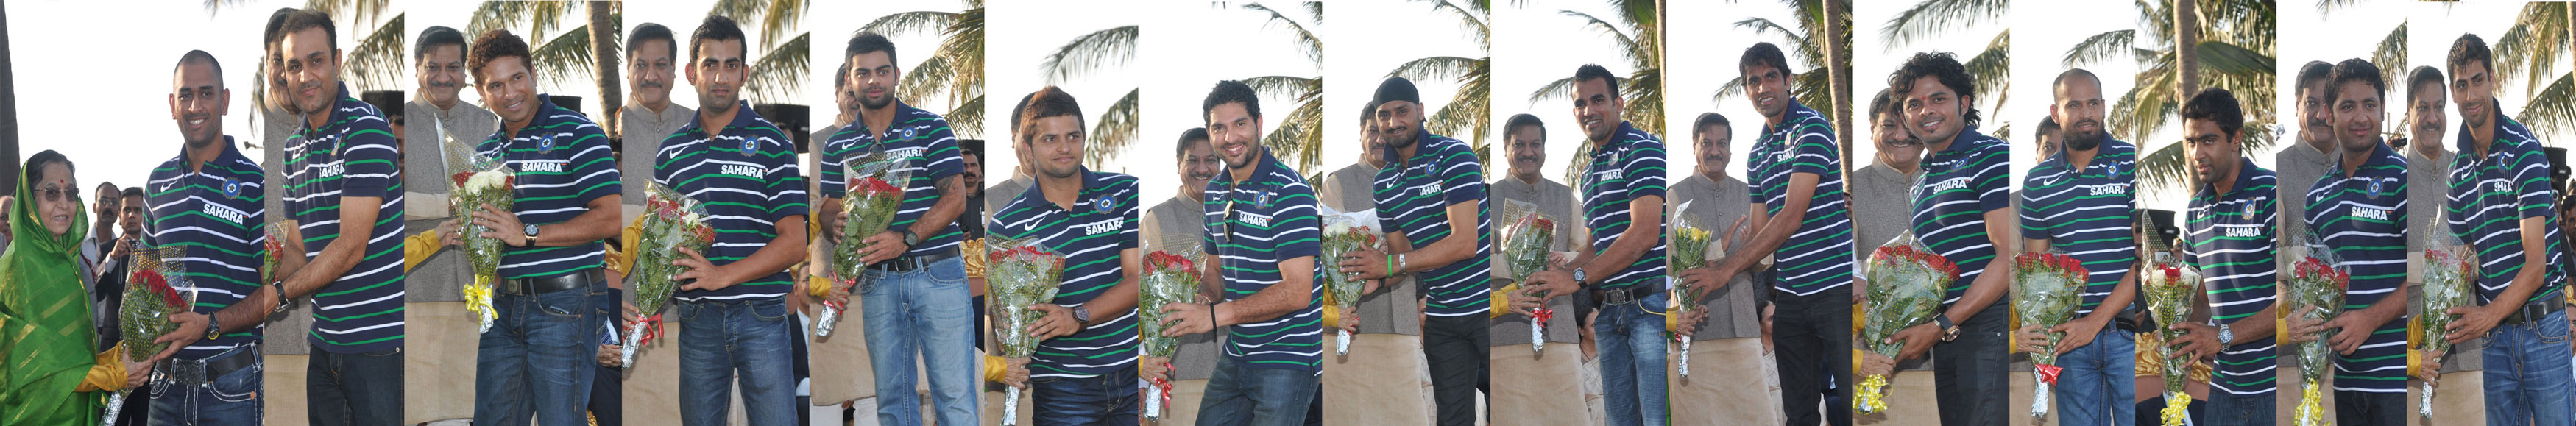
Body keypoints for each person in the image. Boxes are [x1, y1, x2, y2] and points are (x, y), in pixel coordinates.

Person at [436, 29, 626, 426]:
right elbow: (496, 233)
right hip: (503, 307)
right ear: (480, 91)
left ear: (533, 73)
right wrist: (472, 233)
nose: (510, 93)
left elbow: (610, 217)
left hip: (568, 303)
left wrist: (530, 233)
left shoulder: (579, 132)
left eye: (517, 78)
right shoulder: (486, 154)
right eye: (496, 85)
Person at [651, 15, 810, 425]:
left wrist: (724, 275)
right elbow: (663, 243)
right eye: (710, 64)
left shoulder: (774, 144)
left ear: (744, 73)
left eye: (731, 65)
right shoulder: (669, 153)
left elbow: (795, 242)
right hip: (697, 318)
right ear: (691, 72)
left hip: (762, 315)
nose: (721, 76)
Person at [1683, 43, 1853, 426]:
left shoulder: (1813, 126)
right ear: (1747, 90)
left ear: (1788, 81)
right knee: (1800, 412)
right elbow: (1759, 237)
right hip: (1790, 296)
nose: (1763, 87)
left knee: (1854, 402)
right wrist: (1713, 253)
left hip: (1834, 288)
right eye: (1753, 81)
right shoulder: (1757, 152)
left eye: (1771, 77)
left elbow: (1791, 217)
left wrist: (1724, 270)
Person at [815, 31, 977, 426]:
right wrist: (832, 222)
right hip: (876, 281)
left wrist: (904, 239)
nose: (874, 80)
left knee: (953, 398)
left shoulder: (930, 126)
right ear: (850, 81)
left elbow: (956, 198)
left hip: (937, 272)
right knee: (891, 401)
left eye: (882, 71)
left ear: (897, 74)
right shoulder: (838, 145)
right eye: (863, 73)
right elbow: (830, 207)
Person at [1157, 79, 1325, 426]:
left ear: (1259, 125)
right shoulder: (1216, 192)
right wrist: (1204, 299)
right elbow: (1215, 270)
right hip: (1238, 352)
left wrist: (1214, 317)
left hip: (1287, 357)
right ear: (1210, 131)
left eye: (1240, 124)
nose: (1230, 137)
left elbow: (1297, 291)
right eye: (1220, 127)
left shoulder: (1290, 191)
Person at [1334, 77, 1492, 426]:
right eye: (1383, 116)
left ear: (1420, 111)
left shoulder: (1455, 154)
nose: (1393, 123)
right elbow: (1401, 259)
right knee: (1452, 419)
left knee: (1505, 407)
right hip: (1441, 319)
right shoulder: (1384, 183)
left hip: (1486, 309)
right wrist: (1378, 278)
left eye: (1402, 112)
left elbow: (1465, 242)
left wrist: (1389, 263)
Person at [1521, 64, 1671, 426]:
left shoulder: (1644, 148)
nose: (1589, 111)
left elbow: (1645, 234)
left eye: (1598, 100)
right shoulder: (1589, 172)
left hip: (1649, 307)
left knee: (1655, 418)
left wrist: (1577, 277)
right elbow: (1594, 245)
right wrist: (1553, 273)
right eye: (1581, 104)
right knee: (1618, 420)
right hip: (1608, 313)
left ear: (1619, 103)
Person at [984, 86, 1142, 425]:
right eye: (1050, 139)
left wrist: (1078, 316)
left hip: (1130, 375)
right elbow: (1003, 314)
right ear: (1027, 148)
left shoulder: (1126, 191)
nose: (1065, 148)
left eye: (1073, 136)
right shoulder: (1007, 224)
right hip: (1061, 389)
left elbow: (1137, 280)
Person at [2438, 33, 2574, 426]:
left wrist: (2486, 316)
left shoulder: (2524, 150)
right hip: (2495, 342)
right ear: (2453, 91)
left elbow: (2536, 267)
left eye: (2477, 81)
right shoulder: (2457, 172)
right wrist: (2435, 325)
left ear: (2492, 79)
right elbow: (2464, 264)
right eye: (2462, 85)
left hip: (2543, 330)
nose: (2471, 95)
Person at [2279, 58, 2410, 426]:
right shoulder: (2317, 196)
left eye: (2370, 105)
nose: (2360, 117)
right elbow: (2319, 287)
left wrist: (2370, 318)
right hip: (2344, 382)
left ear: (2384, 110)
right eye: (2347, 106)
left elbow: (2426, 277)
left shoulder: (2403, 178)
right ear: (2328, 112)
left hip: (2397, 382)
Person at [1885, 52, 2014, 426]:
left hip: (1986, 324)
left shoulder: (1991, 155)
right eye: (1914, 104)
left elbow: (2007, 258)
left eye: (1938, 98)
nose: (1926, 110)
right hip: (1947, 332)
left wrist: (1943, 324)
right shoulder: (1922, 181)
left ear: (1964, 102)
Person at [2014, 68, 2140, 426]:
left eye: (2093, 104)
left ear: (2104, 107)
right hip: (2071, 342)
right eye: (2074, 105)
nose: (2086, 113)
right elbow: (2037, 273)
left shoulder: (2132, 163)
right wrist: (2039, 331)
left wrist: (2095, 322)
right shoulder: (2038, 182)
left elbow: (2144, 260)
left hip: (2128, 334)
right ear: (2056, 113)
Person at [0, 151, 138, 425]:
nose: (64, 204)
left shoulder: (67, 265)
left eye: (71, 193)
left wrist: (125, 352)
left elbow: (74, 357)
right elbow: (36, 367)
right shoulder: (16, 270)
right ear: (29, 199)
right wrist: (115, 376)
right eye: (52, 193)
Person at [2172, 88, 2281, 426]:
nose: (2197, 153)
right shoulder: (2195, 210)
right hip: (2223, 388)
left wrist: (2221, 337)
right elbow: (2201, 297)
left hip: (2273, 386)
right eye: (2191, 142)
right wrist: (2174, 325)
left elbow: (2290, 300)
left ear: (2236, 139)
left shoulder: (2270, 193)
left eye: (2208, 140)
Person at [1487, 113, 1587, 425]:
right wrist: (1523, 260)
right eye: (1519, 144)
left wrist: (1565, 260)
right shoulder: (1487, 197)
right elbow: (1475, 260)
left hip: (1562, 332)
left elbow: (1585, 252)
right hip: (1506, 333)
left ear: (1544, 150)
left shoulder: (1564, 195)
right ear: (1505, 148)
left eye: (1535, 144)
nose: (1528, 152)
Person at [1136, 128, 1224, 422]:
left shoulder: (1238, 212)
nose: (1202, 168)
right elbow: (1148, 300)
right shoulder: (1158, 218)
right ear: (1178, 164)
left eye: (1211, 160)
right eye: (1193, 160)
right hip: (1180, 371)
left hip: (1237, 366)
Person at [620, 22, 693, 219]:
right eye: (641, 65)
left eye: (660, 65)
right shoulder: (610, 132)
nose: (650, 76)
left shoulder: (699, 126)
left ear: (673, 67)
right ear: (628, 67)